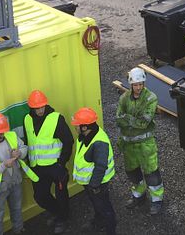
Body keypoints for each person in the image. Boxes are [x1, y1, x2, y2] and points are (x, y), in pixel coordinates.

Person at [23, 90, 74, 234]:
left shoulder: (56, 119)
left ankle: (63, 219)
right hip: (37, 167)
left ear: (45, 105)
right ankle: (58, 212)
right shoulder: (27, 119)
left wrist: (61, 163)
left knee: (61, 194)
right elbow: (28, 141)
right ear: (31, 108)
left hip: (55, 167)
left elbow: (68, 141)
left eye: (42, 107)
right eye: (36, 108)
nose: (40, 110)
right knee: (40, 196)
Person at [116, 67, 164, 215]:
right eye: (135, 85)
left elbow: (144, 122)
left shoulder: (151, 98)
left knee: (151, 172)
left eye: (140, 84)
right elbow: (118, 119)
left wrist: (127, 119)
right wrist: (131, 120)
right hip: (129, 144)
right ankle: (139, 194)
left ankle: (157, 200)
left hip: (146, 144)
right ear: (131, 84)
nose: (138, 87)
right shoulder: (124, 98)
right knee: (132, 171)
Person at [70, 107, 116, 235]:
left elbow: (101, 166)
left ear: (84, 127)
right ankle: (99, 222)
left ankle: (110, 230)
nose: (75, 127)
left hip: (98, 183)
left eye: (77, 125)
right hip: (91, 182)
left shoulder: (99, 142)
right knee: (97, 205)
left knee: (105, 208)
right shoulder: (87, 135)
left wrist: (94, 185)